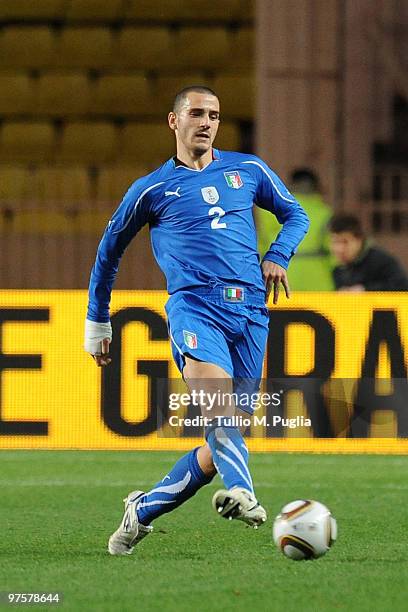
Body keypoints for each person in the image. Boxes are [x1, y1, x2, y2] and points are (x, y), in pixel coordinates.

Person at [84, 86, 309, 556]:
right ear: (174, 121)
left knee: (219, 442)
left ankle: (141, 510)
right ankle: (245, 493)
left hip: (250, 312)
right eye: (197, 114)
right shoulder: (150, 189)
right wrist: (98, 324)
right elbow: (108, 255)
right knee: (219, 410)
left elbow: (295, 214)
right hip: (195, 308)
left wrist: (278, 255)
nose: (206, 122)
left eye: (214, 115)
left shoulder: (248, 170)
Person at [256, 167, 333, 290]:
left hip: (278, 273)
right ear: (316, 186)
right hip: (317, 279)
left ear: (290, 184)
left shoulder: (269, 210)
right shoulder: (325, 212)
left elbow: (261, 244)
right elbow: (333, 250)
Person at [328, 213, 408, 291]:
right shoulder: (338, 270)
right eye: (335, 242)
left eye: (345, 242)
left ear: (359, 240)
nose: (339, 249)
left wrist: (365, 290)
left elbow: (402, 286)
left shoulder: (380, 261)